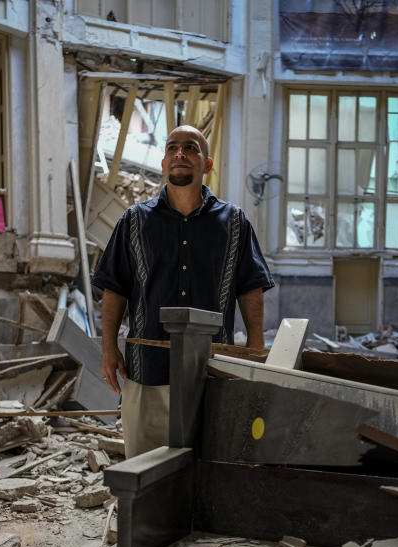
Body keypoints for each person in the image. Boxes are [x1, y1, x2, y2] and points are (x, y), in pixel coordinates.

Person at [91, 125, 275, 458]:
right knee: (143, 469)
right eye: (172, 147)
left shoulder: (234, 223)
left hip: (213, 372)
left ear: (207, 164)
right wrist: (108, 348)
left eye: (190, 148)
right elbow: (115, 289)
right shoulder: (134, 221)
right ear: (163, 162)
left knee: (207, 467)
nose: (180, 154)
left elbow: (251, 288)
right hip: (146, 370)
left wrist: (255, 349)